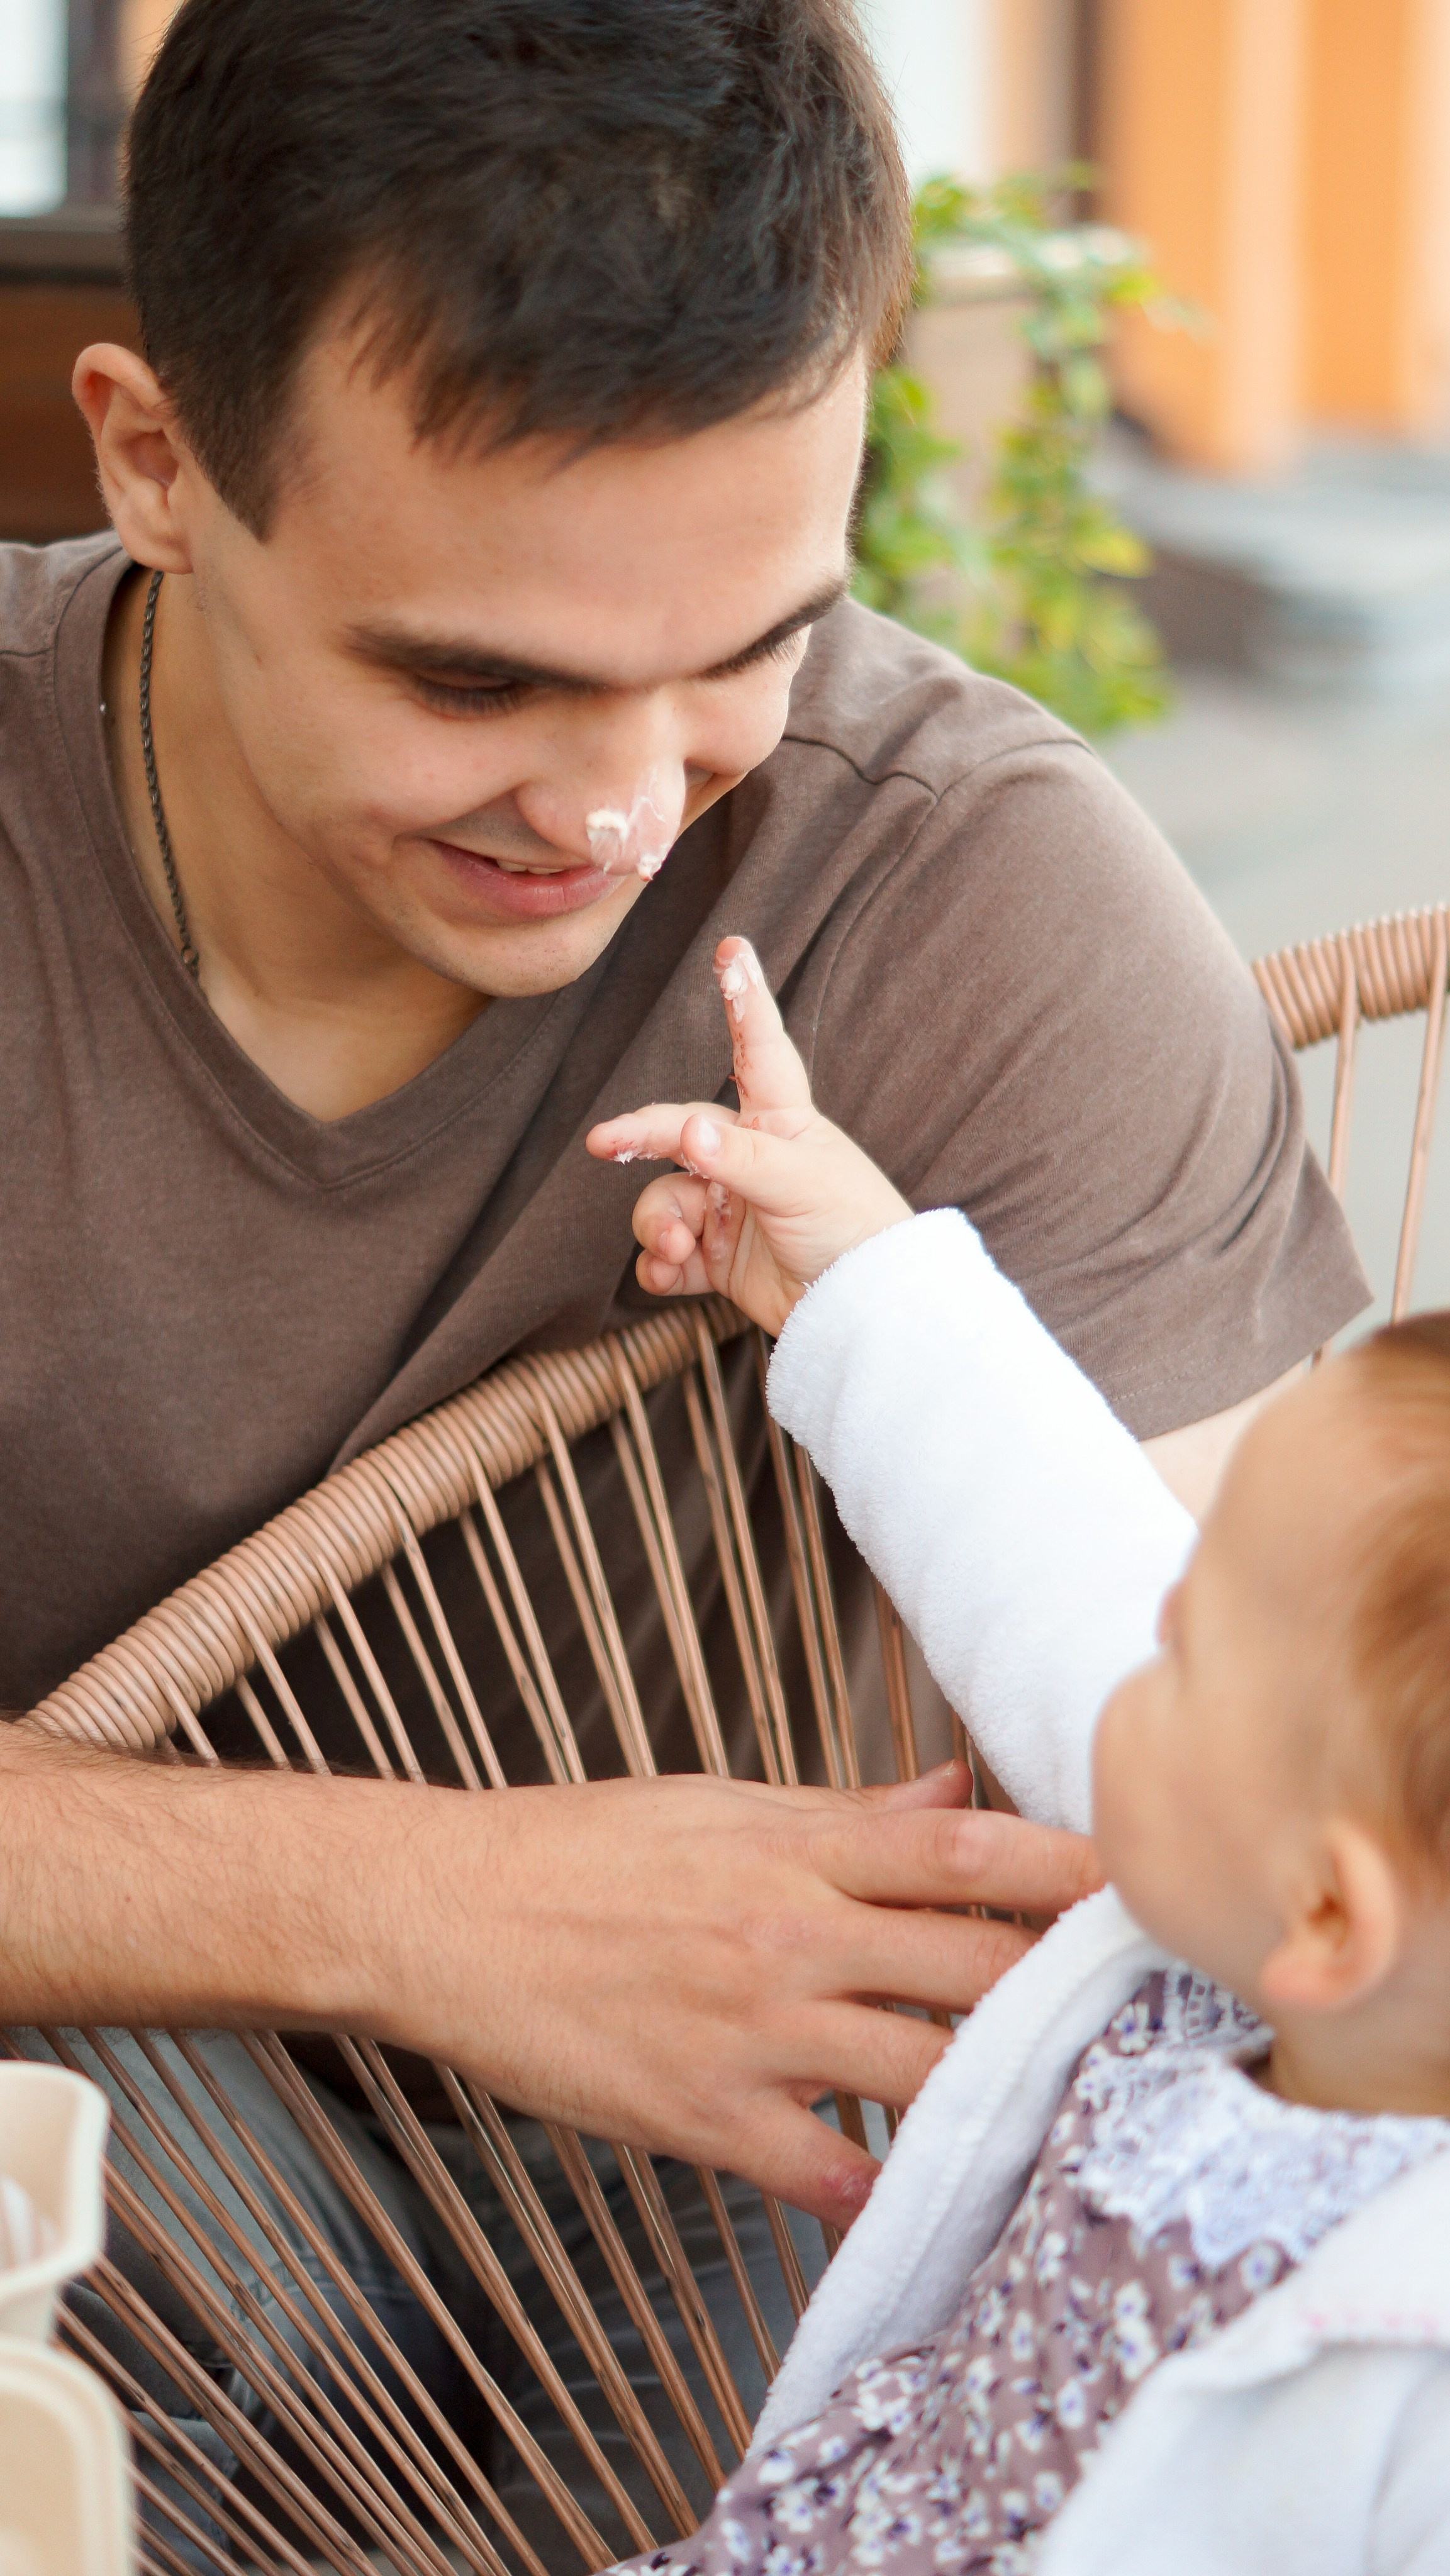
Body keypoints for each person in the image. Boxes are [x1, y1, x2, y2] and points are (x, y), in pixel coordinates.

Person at [0, 0, 1366, 2547]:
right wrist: (405, 1905)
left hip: (817, 2217)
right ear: (155, 460)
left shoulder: (977, 901)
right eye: (469, 673)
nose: (622, 803)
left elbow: (1309, 1838)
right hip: (88, 2136)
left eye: (750, 643)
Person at [594, 941, 1450, 2575]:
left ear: (1329, 1917)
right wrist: (845, 1265)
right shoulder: (1228, 1915)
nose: (1143, 1636)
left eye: (1186, 1652)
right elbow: (1038, 1540)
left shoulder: (1413, 2376)